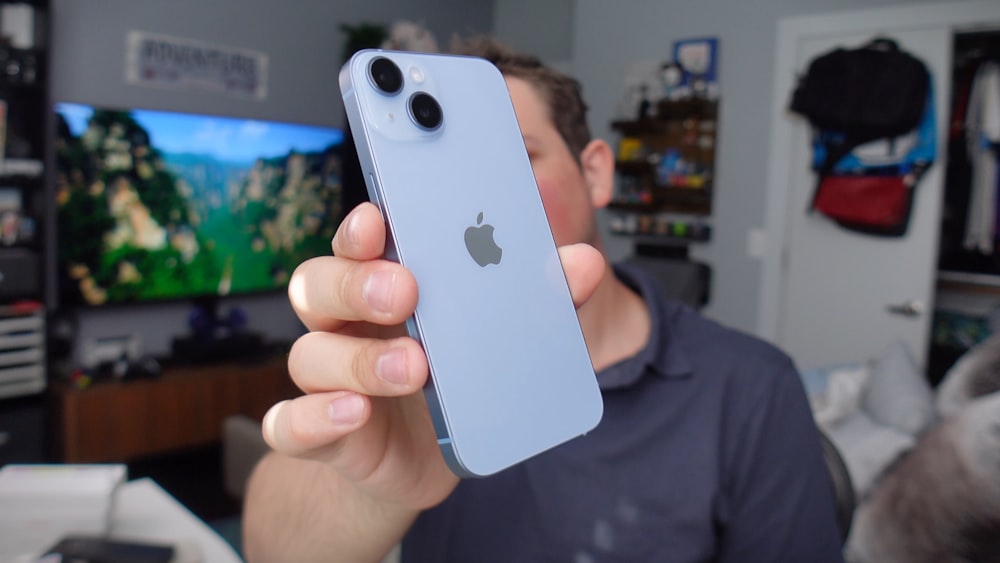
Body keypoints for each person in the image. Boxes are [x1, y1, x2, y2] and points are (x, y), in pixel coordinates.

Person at [244, 37, 844, 562]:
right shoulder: (413, 366)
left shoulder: (753, 388)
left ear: (597, 173)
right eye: (443, 178)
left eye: (512, 157)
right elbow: (271, 552)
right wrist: (373, 488)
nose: (477, 200)